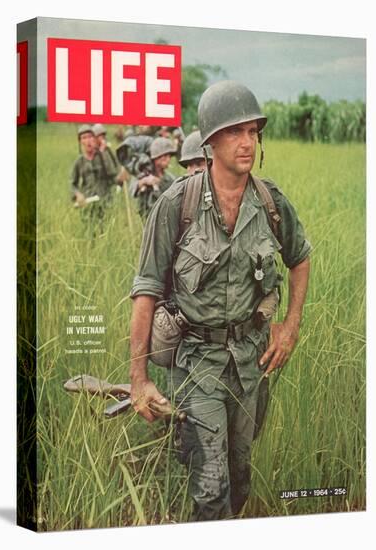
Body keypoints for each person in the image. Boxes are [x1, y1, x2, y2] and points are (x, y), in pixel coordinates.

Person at [129, 80, 312, 521]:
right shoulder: (177, 204)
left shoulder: (271, 203)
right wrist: (139, 378)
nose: (247, 142)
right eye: (235, 132)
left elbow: (300, 258)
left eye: (253, 131)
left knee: (240, 476)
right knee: (211, 490)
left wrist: (290, 326)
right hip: (196, 365)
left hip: (251, 363)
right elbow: (146, 289)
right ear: (210, 141)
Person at [69, 125, 111, 233]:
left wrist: (103, 152)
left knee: (106, 232)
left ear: (95, 139)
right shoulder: (79, 162)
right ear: (80, 142)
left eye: (90, 137)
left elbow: (112, 173)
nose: (88, 141)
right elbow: (72, 184)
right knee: (89, 232)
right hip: (87, 203)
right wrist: (78, 195)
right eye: (84, 138)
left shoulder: (102, 156)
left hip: (104, 202)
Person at [129, 136, 177, 219]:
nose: (168, 159)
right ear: (155, 158)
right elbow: (132, 189)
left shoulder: (171, 178)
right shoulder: (143, 174)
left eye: (169, 156)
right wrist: (144, 181)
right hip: (146, 219)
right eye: (165, 156)